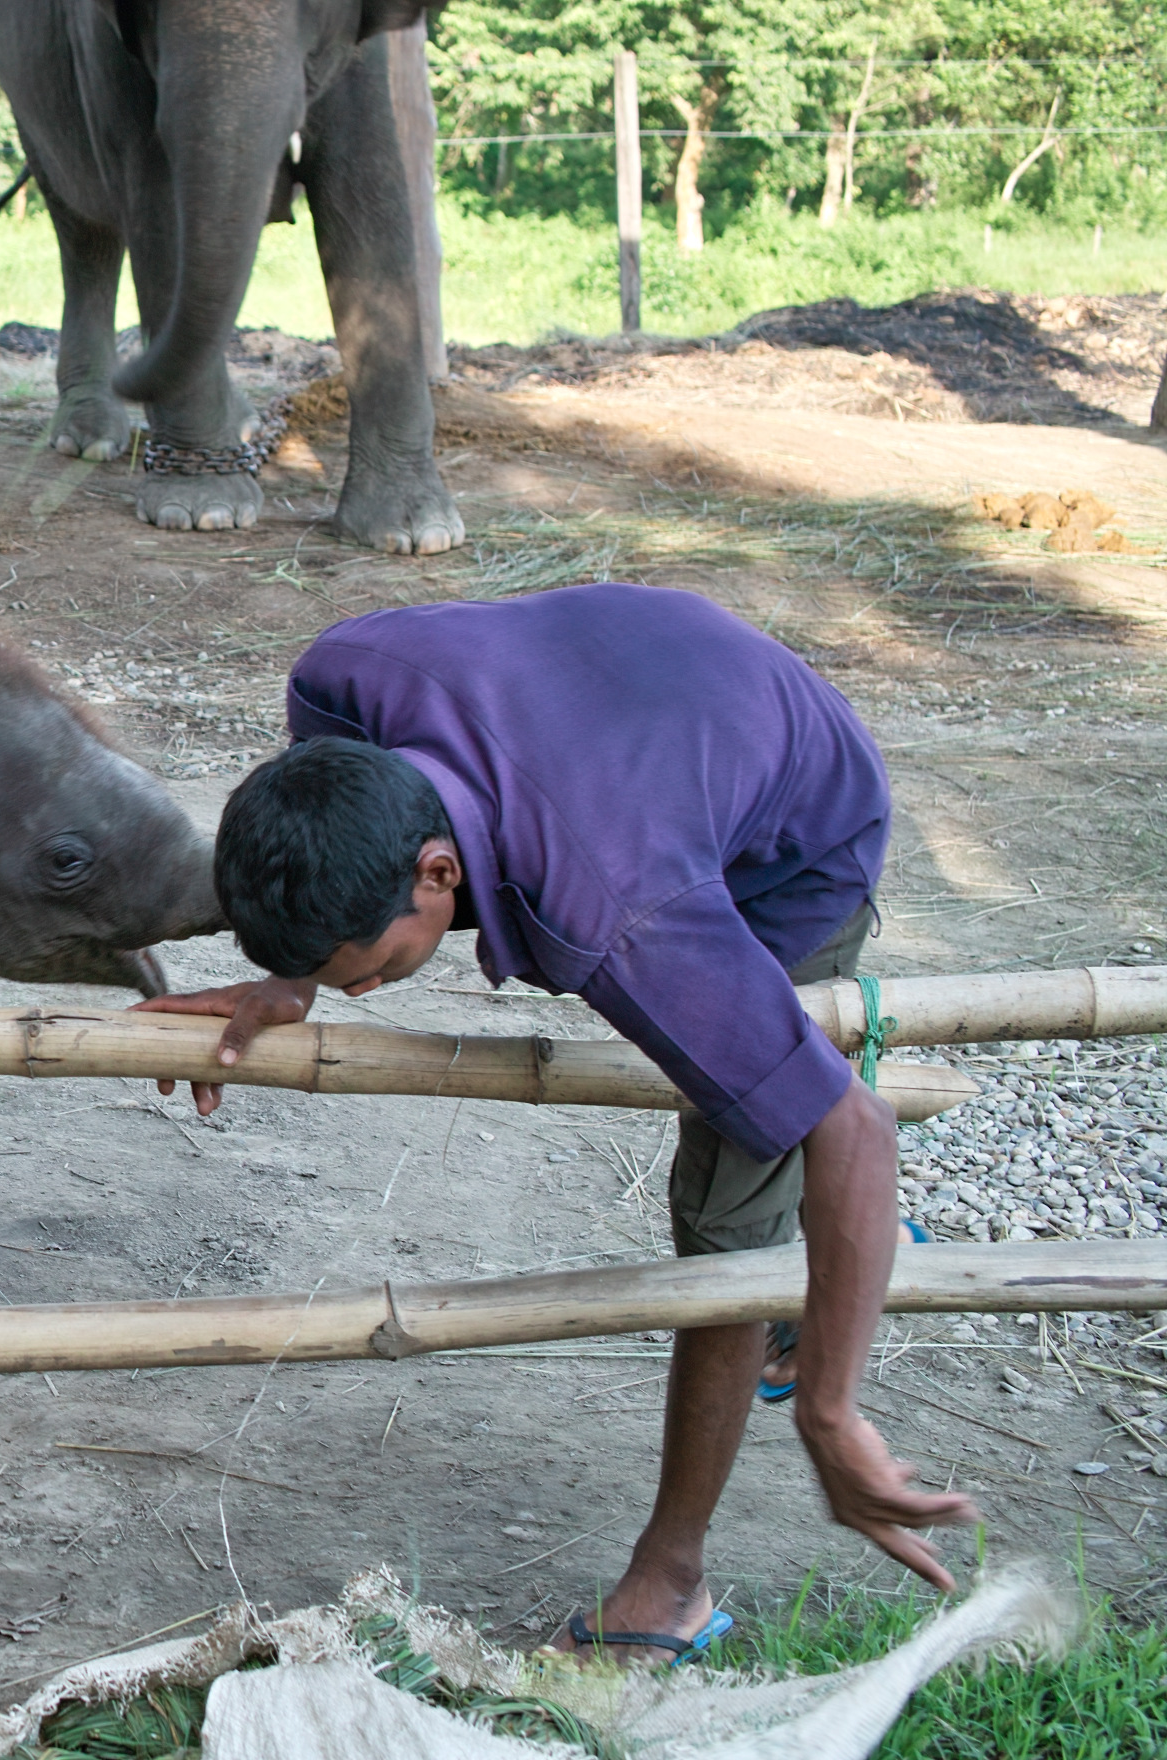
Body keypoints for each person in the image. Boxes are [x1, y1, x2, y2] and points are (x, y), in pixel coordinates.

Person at [139, 583, 979, 1665]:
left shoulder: (619, 915)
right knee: (768, 1166)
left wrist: (832, 1413)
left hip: (795, 828)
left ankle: (672, 1580)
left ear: (439, 872)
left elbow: (853, 1126)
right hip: (662, 689)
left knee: (729, 1219)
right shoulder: (338, 685)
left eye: (368, 967)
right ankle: (830, 1267)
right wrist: (291, 977)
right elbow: (334, 823)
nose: (361, 992)